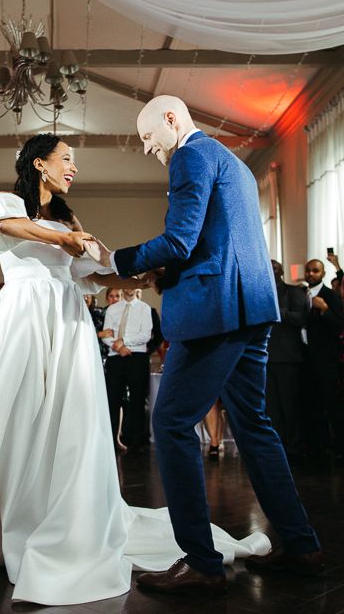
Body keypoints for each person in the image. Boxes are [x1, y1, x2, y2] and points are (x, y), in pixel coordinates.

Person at [0, 134, 268, 606]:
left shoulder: (71, 218)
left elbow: (92, 272)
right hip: (25, 316)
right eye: (67, 159)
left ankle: (64, 515)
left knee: (74, 418)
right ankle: (4, 516)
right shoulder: (5, 202)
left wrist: (143, 275)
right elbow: (8, 227)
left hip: (68, 321)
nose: (74, 168)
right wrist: (62, 238)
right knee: (17, 413)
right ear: (40, 164)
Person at [93, 95, 321, 593]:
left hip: (215, 311)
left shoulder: (191, 156)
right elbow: (211, 242)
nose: (152, 150)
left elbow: (180, 240)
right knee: (255, 426)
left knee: (170, 421)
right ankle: (301, 544)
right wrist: (166, 273)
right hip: (252, 307)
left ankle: (201, 561)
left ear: (172, 119)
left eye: (151, 138)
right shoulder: (233, 162)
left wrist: (117, 260)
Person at [301, 258, 344, 458]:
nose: (310, 274)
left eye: (315, 271)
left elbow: (338, 327)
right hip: (304, 360)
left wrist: (324, 309)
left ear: (323, 274)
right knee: (310, 405)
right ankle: (317, 445)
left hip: (326, 361)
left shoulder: (331, 296)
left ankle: (339, 447)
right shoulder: (299, 294)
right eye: (308, 270)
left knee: (332, 405)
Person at [102, 287, 153, 453]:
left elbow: (145, 335)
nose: (130, 288)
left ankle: (137, 441)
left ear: (137, 289)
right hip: (115, 357)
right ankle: (111, 441)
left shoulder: (144, 308)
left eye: (133, 285)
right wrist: (118, 347)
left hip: (137, 356)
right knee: (112, 400)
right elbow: (107, 334)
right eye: (127, 284)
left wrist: (124, 341)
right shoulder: (112, 308)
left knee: (137, 399)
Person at [267, 260, 307, 459]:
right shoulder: (262, 293)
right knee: (271, 408)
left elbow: (300, 318)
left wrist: (277, 312)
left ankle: (294, 448)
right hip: (266, 357)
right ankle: (277, 448)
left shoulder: (292, 292)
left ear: (281, 272)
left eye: (275, 269)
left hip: (288, 357)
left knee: (289, 406)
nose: (272, 272)